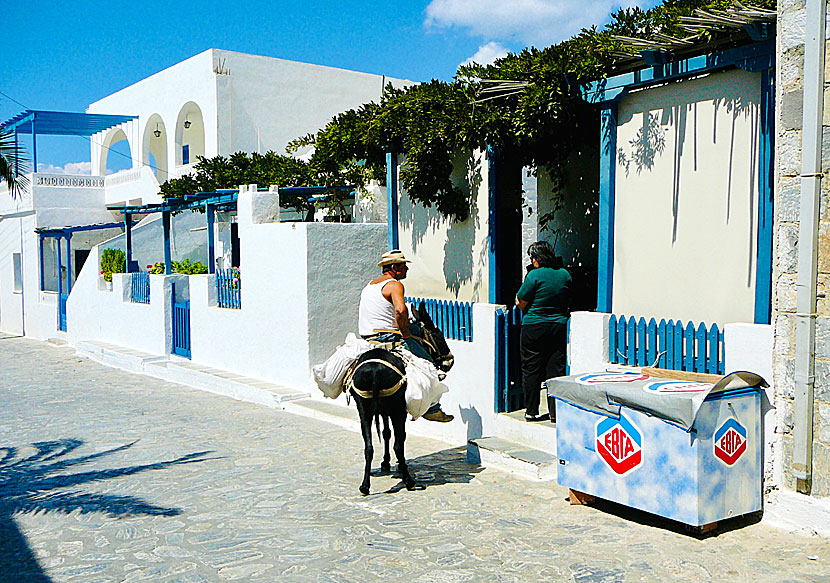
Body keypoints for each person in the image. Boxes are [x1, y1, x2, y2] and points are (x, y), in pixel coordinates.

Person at [358, 249, 454, 423]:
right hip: (387, 338)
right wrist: (406, 334)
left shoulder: (370, 285)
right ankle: (432, 408)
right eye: (403, 266)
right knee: (427, 366)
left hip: (367, 338)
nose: (406, 270)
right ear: (394, 267)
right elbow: (401, 311)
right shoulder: (395, 285)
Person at [515, 241, 571, 422]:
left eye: (533, 258)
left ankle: (531, 411)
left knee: (531, 369)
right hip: (558, 326)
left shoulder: (533, 275)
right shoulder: (564, 274)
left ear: (538, 258)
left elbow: (520, 302)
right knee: (556, 369)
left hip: (534, 326)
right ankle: (555, 412)